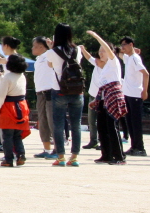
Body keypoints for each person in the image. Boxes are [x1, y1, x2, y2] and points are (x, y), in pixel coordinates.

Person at [81, 31, 127, 165]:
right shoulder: (104, 67)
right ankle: (106, 155)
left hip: (113, 97)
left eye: (103, 51)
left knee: (112, 127)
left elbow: (108, 50)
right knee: (102, 127)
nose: (101, 53)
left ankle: (119, 156)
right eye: (100, 51)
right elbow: (102, 87)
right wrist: (96, 100)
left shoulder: (114, 62)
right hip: (103, 98)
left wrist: (96, 37)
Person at [45, 23, 84, 167]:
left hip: (59, 90)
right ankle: (74, 157)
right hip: (77, 90)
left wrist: (51, 48)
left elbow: (50, 65)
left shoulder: (52, 52)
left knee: (58, 125)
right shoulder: (77, 50)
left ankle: (61, 156)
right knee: (76, 124)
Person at [0, 54, 30, 167]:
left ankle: (8, 159)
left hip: (9, 106)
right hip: (22, 105)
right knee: (17, 135)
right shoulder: (22, 76)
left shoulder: (7, 77)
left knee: (7, 135)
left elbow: (2, 95)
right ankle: (21, 154)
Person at [119, 37, 149, 156]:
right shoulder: (128, 58)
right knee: (130, 122)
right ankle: (134, 146)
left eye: (124, 45)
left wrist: (145, 90)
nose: (122, 47)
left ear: (131, 44)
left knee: (136, 123)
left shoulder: (135, 58)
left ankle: (140, 148)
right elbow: (116, 52)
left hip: (136, 94)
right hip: (128, 94)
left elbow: (146, 74)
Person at [31, 36, 56, 158]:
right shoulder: (38, 59)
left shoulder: (49, 55)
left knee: (52, 121)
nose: (32, 48)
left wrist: (52, 47)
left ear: (41, 47)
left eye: (34, 46)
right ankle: (46, 149)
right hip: (40, 93)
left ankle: (57, 149)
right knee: (43, 121)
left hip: (50, 91)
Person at [82, 49, 101, 150]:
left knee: (102, 121)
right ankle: (93, 141)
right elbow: (89, 57)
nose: (95, 61)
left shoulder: (108, 68)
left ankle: (103, 141)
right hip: (92, 96)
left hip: (101, 97)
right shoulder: (97, 64)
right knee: (91, 121)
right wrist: (83, 49)